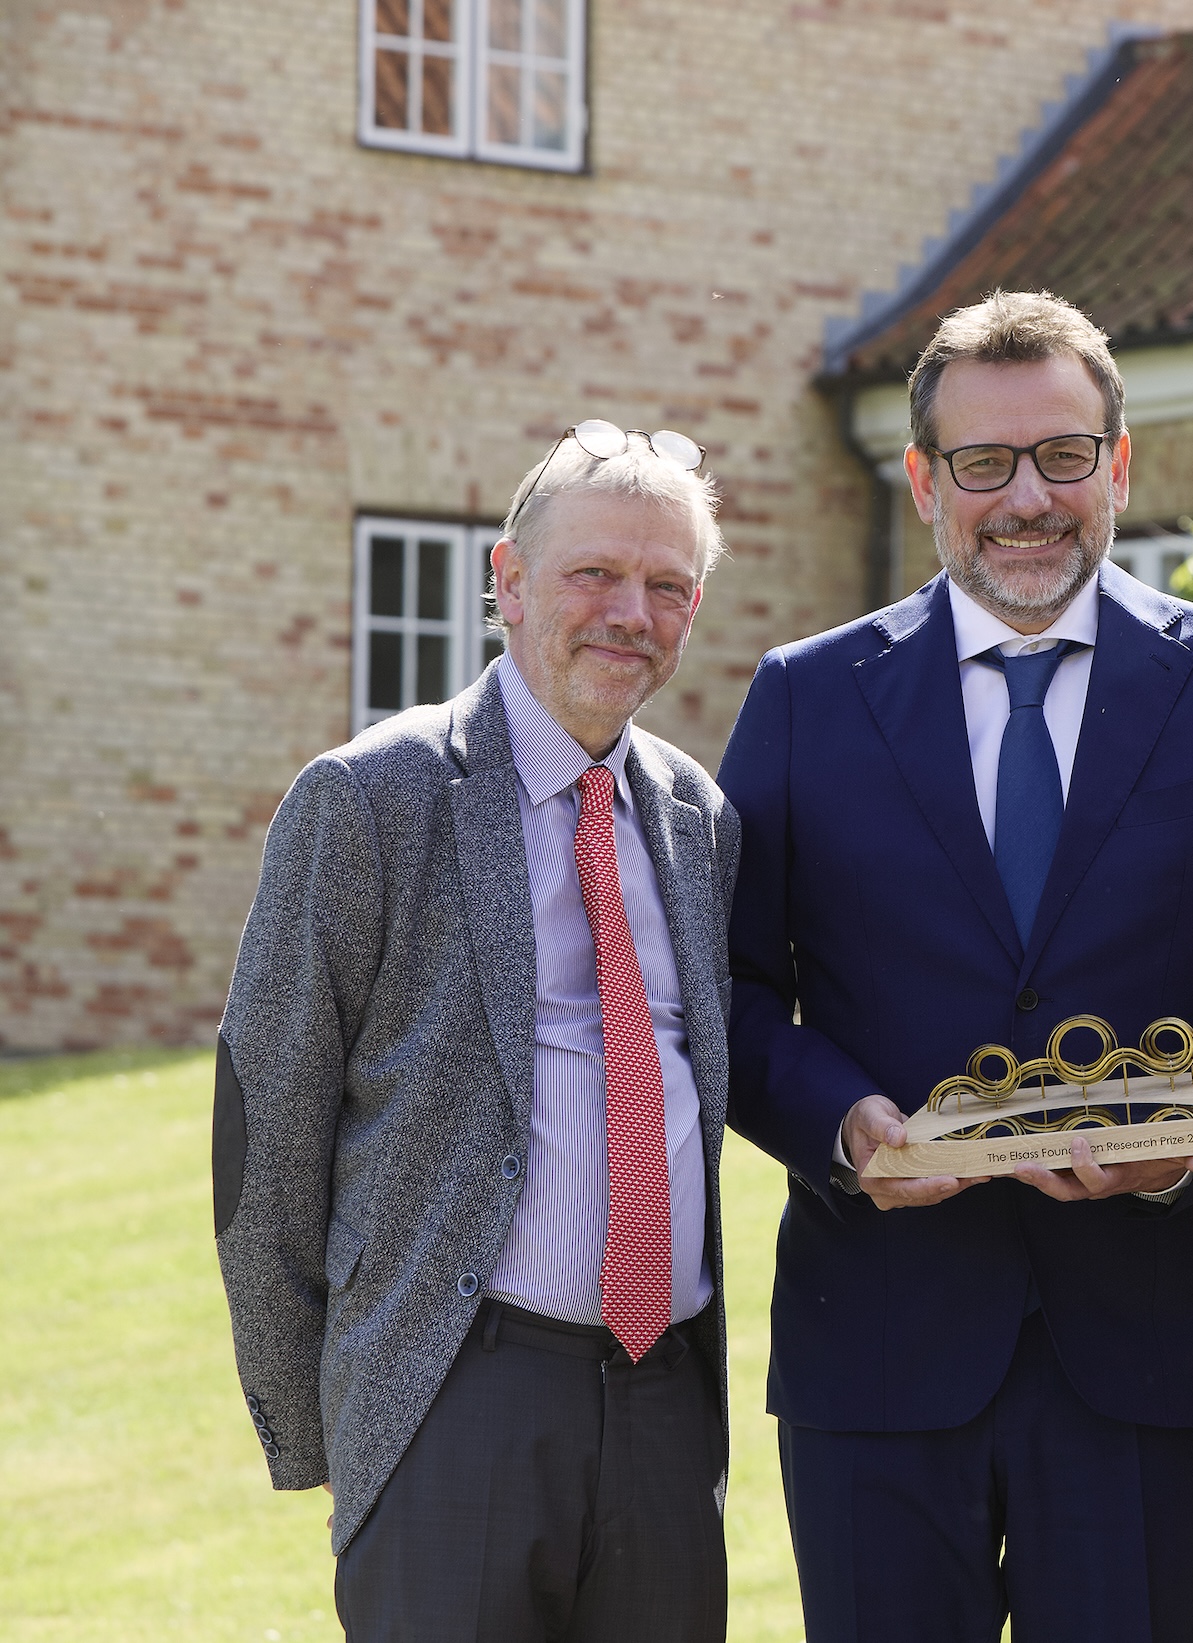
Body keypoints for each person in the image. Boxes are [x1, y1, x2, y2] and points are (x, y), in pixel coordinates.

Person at [718, 290, 1193, 1643]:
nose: (1026, 499)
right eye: (984, 464)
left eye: (1062, 455)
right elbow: (736, 992)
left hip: (1134, 1342)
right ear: (926, 480)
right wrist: (845, 1126)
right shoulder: (807, 696)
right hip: (876, 1337)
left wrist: (1186, 1144)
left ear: (1118, 464)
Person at [212, 421, 741, 1640]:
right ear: (504, 579)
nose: (631, 610)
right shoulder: (368, 800)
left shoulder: (699, 817)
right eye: (594, 573)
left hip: (666, 1404)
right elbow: (266, 1128)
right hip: (455, 1392)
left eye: (667, 585)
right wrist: (336, 1417)